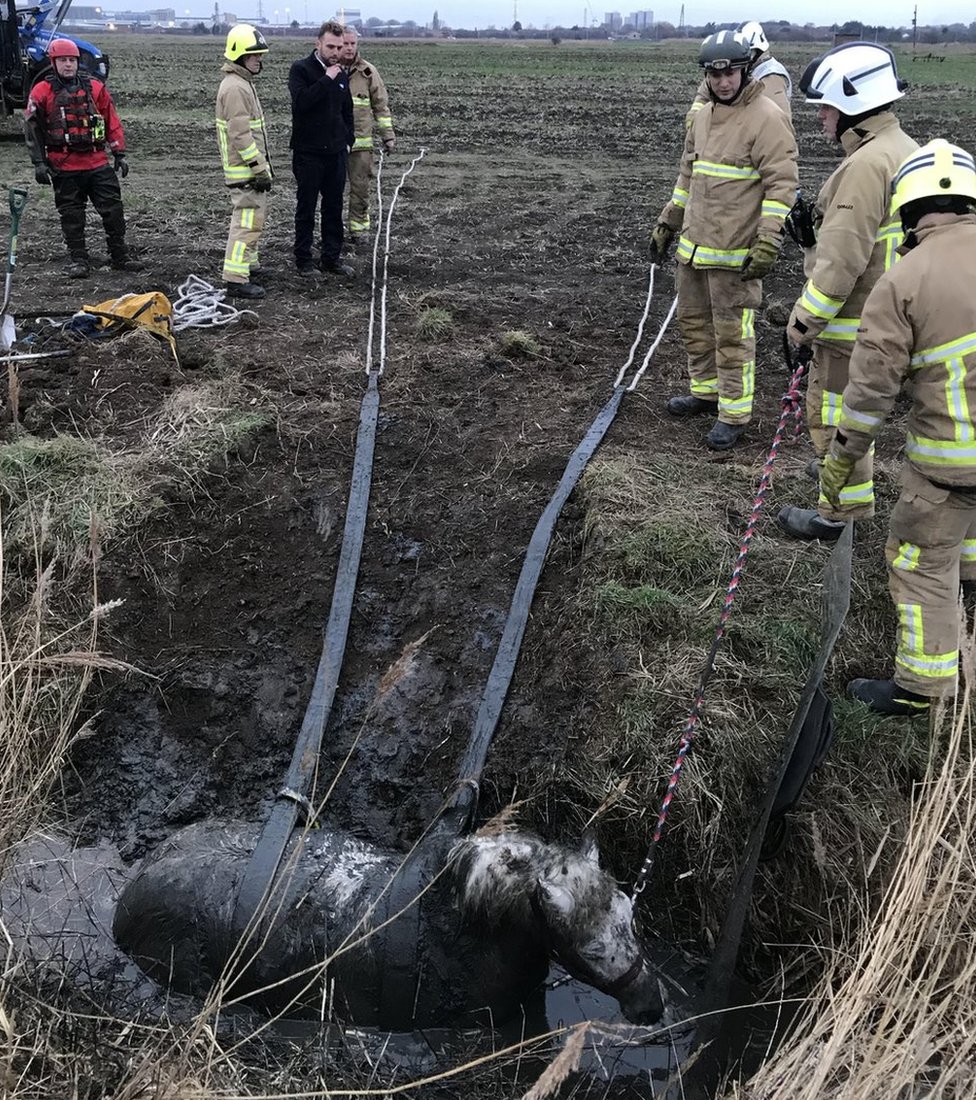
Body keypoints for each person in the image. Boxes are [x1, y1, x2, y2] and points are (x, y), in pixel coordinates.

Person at [820, 139, 976, 716]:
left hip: (950, 465)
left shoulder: (903, 279)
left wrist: (841, 457)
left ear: (906, 214)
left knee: (917, 560)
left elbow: (867, 396)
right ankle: (973, 588)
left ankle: (922, 688)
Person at [778, 43, 916, 541]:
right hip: (891, 316)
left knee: (835, 418)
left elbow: (841, 268)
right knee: (855, 416)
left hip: (851, 325)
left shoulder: (862, 166)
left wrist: (799, 329)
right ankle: (846, 502)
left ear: (854, 104)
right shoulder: (902, 149)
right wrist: (814, 235)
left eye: (826, 107)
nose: (820, 117)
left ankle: (837, 517)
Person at [651, 30, 798, 451]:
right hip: (694, 248)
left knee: (733, 335)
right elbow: (687, 177)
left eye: (730, 72)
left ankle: (734, 414)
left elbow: (781, 187)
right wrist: (668, 222)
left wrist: (768, 241)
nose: (723, 81)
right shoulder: (701, 117)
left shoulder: (768, 117)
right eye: (714, 74)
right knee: (695, 326)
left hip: (736, 255)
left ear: (744, 69)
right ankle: (705, 393)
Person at [24, 38, 141, 279]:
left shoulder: (96, 88)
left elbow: (111, 119)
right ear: (54, 63)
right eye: (63, 61)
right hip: (63, 165)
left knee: (113, 210)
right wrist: (39, 162)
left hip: (97, 162)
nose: (68, 65)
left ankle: (120, 256)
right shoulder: (41, 92)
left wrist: (119, 152)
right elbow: (32, 128)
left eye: (72, 60)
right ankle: (79, 259)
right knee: (72, 215)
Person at [288, 20, 355, 278]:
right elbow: (302, 103)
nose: (336, 52)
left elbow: (346, 111)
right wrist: (326, 79)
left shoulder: (342, 75)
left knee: (333, 207)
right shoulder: (301, 70)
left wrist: (347, 141)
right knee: (306, 207)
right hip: (308, 153)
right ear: (318, 44)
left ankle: (331, 258)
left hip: (336, 154)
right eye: (330, 46)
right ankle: (304, 260)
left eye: (339, 47)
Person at [215, 23, 272, 301]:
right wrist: (259, 168)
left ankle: (248, 267)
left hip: (246, 171)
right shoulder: (236, 87)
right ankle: (236, 279)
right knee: (246, 224)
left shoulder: (241, 83)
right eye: (254, 55)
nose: (259, 60)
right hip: (246, 172)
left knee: (253, 221)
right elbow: (240, 135)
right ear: (238, 55)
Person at [340, 26, 396, 246]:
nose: (349, 48)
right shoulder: (328, 71)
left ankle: (359, 231)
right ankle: (333, 235)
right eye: (345, 43)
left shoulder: (368, 73)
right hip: (334, 144)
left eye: (353, 43)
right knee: (332, 194)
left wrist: (388, 136)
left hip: (361, 147)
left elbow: (381, 107)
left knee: (360, 190)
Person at [685, 20, 792, 129]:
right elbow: (704, 94)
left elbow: (778, 124)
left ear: (757, 50)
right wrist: (694, 121)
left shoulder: (771, 75)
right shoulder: (733, 69)